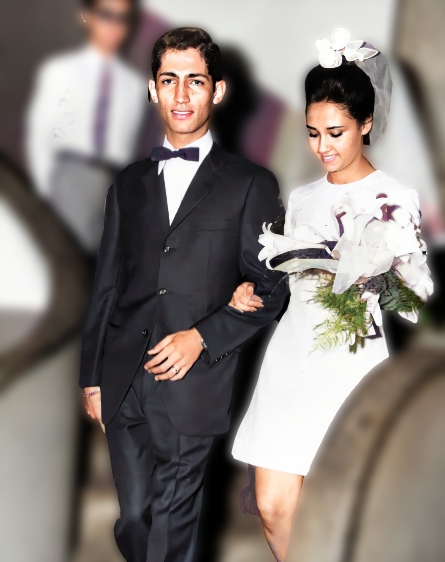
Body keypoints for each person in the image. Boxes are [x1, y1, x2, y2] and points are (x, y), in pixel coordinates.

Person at [80, 27, 287, 562]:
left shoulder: (251, 184)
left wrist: (202, 336)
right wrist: (92, 375)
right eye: (169, 80)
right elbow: (106, 284)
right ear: (152, 88)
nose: (180, 94)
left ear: (218, 90)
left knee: (173, 522)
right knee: (134, 518)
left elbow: (272, 288)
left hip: (195, 381)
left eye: (195, 81)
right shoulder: (127, 183)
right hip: (123, 377)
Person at [230, 29, 433, 562]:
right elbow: (286, 277)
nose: (323, 146)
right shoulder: (301, 198)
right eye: (313, 132)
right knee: (273, 505)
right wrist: (253, 287)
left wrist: (375, 277)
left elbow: (412, 297)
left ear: (365, 123)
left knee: (341, 509)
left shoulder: (395, 197)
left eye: (336, 132)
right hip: (292, 357)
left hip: (351, 361)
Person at [26, 0, 146, 255]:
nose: (114, 25)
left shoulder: (134, 86)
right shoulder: (60, 71)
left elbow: (127, 144)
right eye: (106, 15)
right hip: (70, 175)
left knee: (103, 263)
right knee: (66, 258)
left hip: (112, 183)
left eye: (123, 18)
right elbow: (39, 135)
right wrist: (45, 192)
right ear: (87, 16)